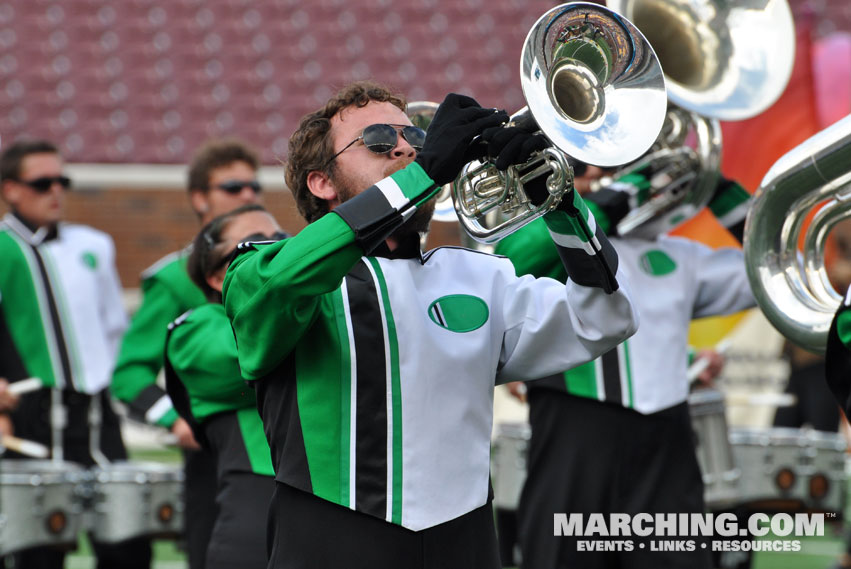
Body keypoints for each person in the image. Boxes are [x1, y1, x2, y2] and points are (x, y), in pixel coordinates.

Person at [221, 80, 639, 569]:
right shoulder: (263, 270)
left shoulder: (480, 276)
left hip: (464, 542)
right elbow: (286, 281)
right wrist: (424, 172)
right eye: (378, 140)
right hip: (329, 541)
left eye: (416, 140)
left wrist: (561, 205)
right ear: (322, 183)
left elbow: (605, 317)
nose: (404, 147)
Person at [497, 162, 755, 569]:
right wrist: (614, 197)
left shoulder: (681, 255)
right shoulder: (553, 240)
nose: (598, 172)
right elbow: (510, 257)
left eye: (614, 166)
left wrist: (715, 186)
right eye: (580, 166)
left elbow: (772, 268)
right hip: (576, 433)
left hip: (666, 442)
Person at [108, 137, 264, 569]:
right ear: (199, 198)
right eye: (232, 188)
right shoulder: (175, 278)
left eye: (253, 187)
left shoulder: (278, 265)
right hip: (214, 453)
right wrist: (174, 419)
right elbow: (128, 373)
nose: (247, 195)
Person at [0, 139, 149, 568]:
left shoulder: (94, 244)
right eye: (42, 182)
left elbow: (112, 327)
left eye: (60, 181)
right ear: (11, 189)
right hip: (33, 418)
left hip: (97, 415)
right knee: (37, 553)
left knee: (127, 543)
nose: (55, 191)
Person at [164, 204, 284, 569]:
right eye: (255, 244)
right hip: (257, 507)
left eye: (282, 239)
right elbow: (247, 353)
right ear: (217, 277)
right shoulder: (194, 329)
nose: (278, 249)